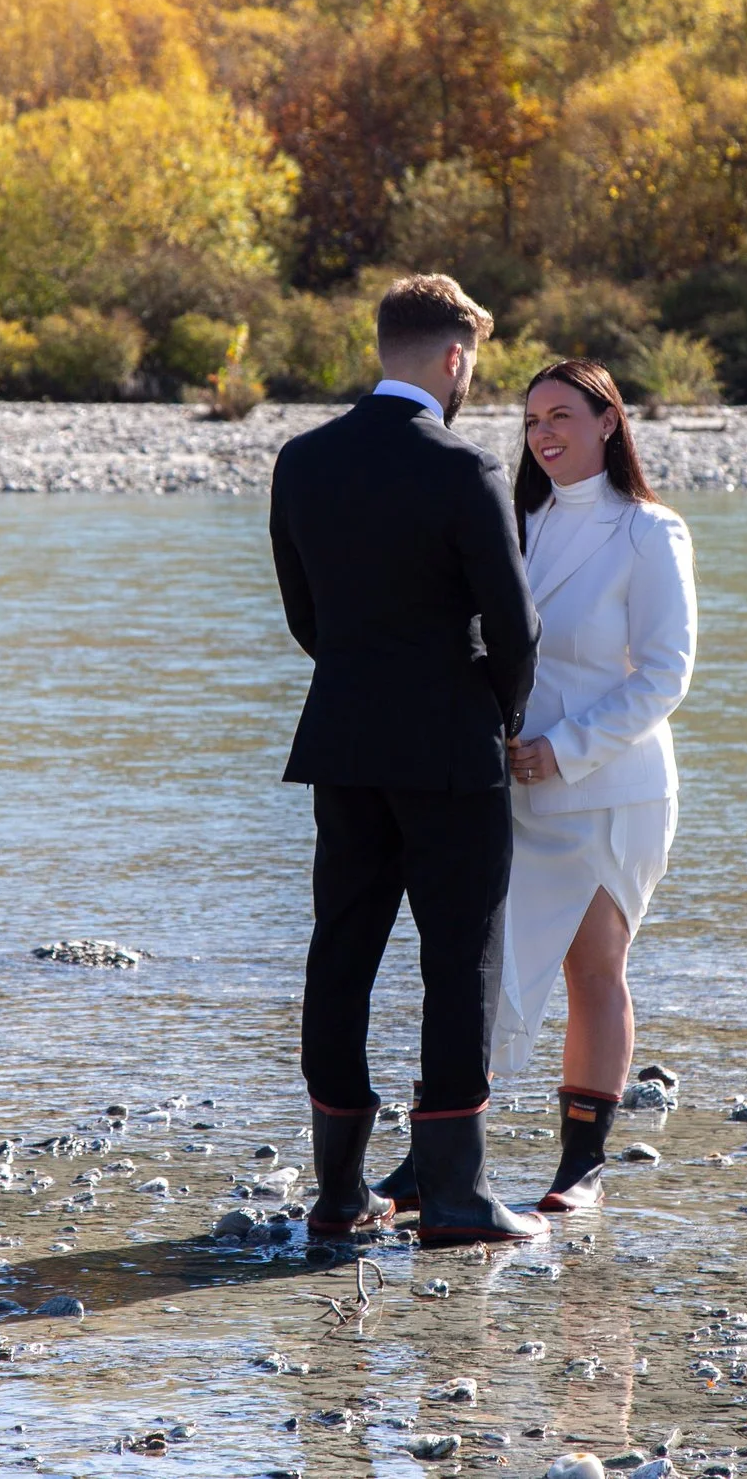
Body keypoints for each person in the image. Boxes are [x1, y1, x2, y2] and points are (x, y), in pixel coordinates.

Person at [268, 273, 549, 1247]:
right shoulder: (462, 471)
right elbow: (515, 627)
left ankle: (339, 1192)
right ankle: (456, 1194)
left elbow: (305, 615)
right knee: (455, 960)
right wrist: (499, 711)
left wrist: (361, 680)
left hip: (342, 741)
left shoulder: (302, 461)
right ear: (454, 359)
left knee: (340, 950)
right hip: (448, 747)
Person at [497, 359, 695, 1211]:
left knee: (592, 968)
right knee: (484, 965)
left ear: (609, 422)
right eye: (532, 418)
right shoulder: (514, 522)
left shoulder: (651, 532)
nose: (544, 433)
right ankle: (442, 1145)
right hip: (511, 787)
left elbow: (665, 675)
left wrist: (565, 747)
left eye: (562, 415)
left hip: (611, 785)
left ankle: (582, 1165)